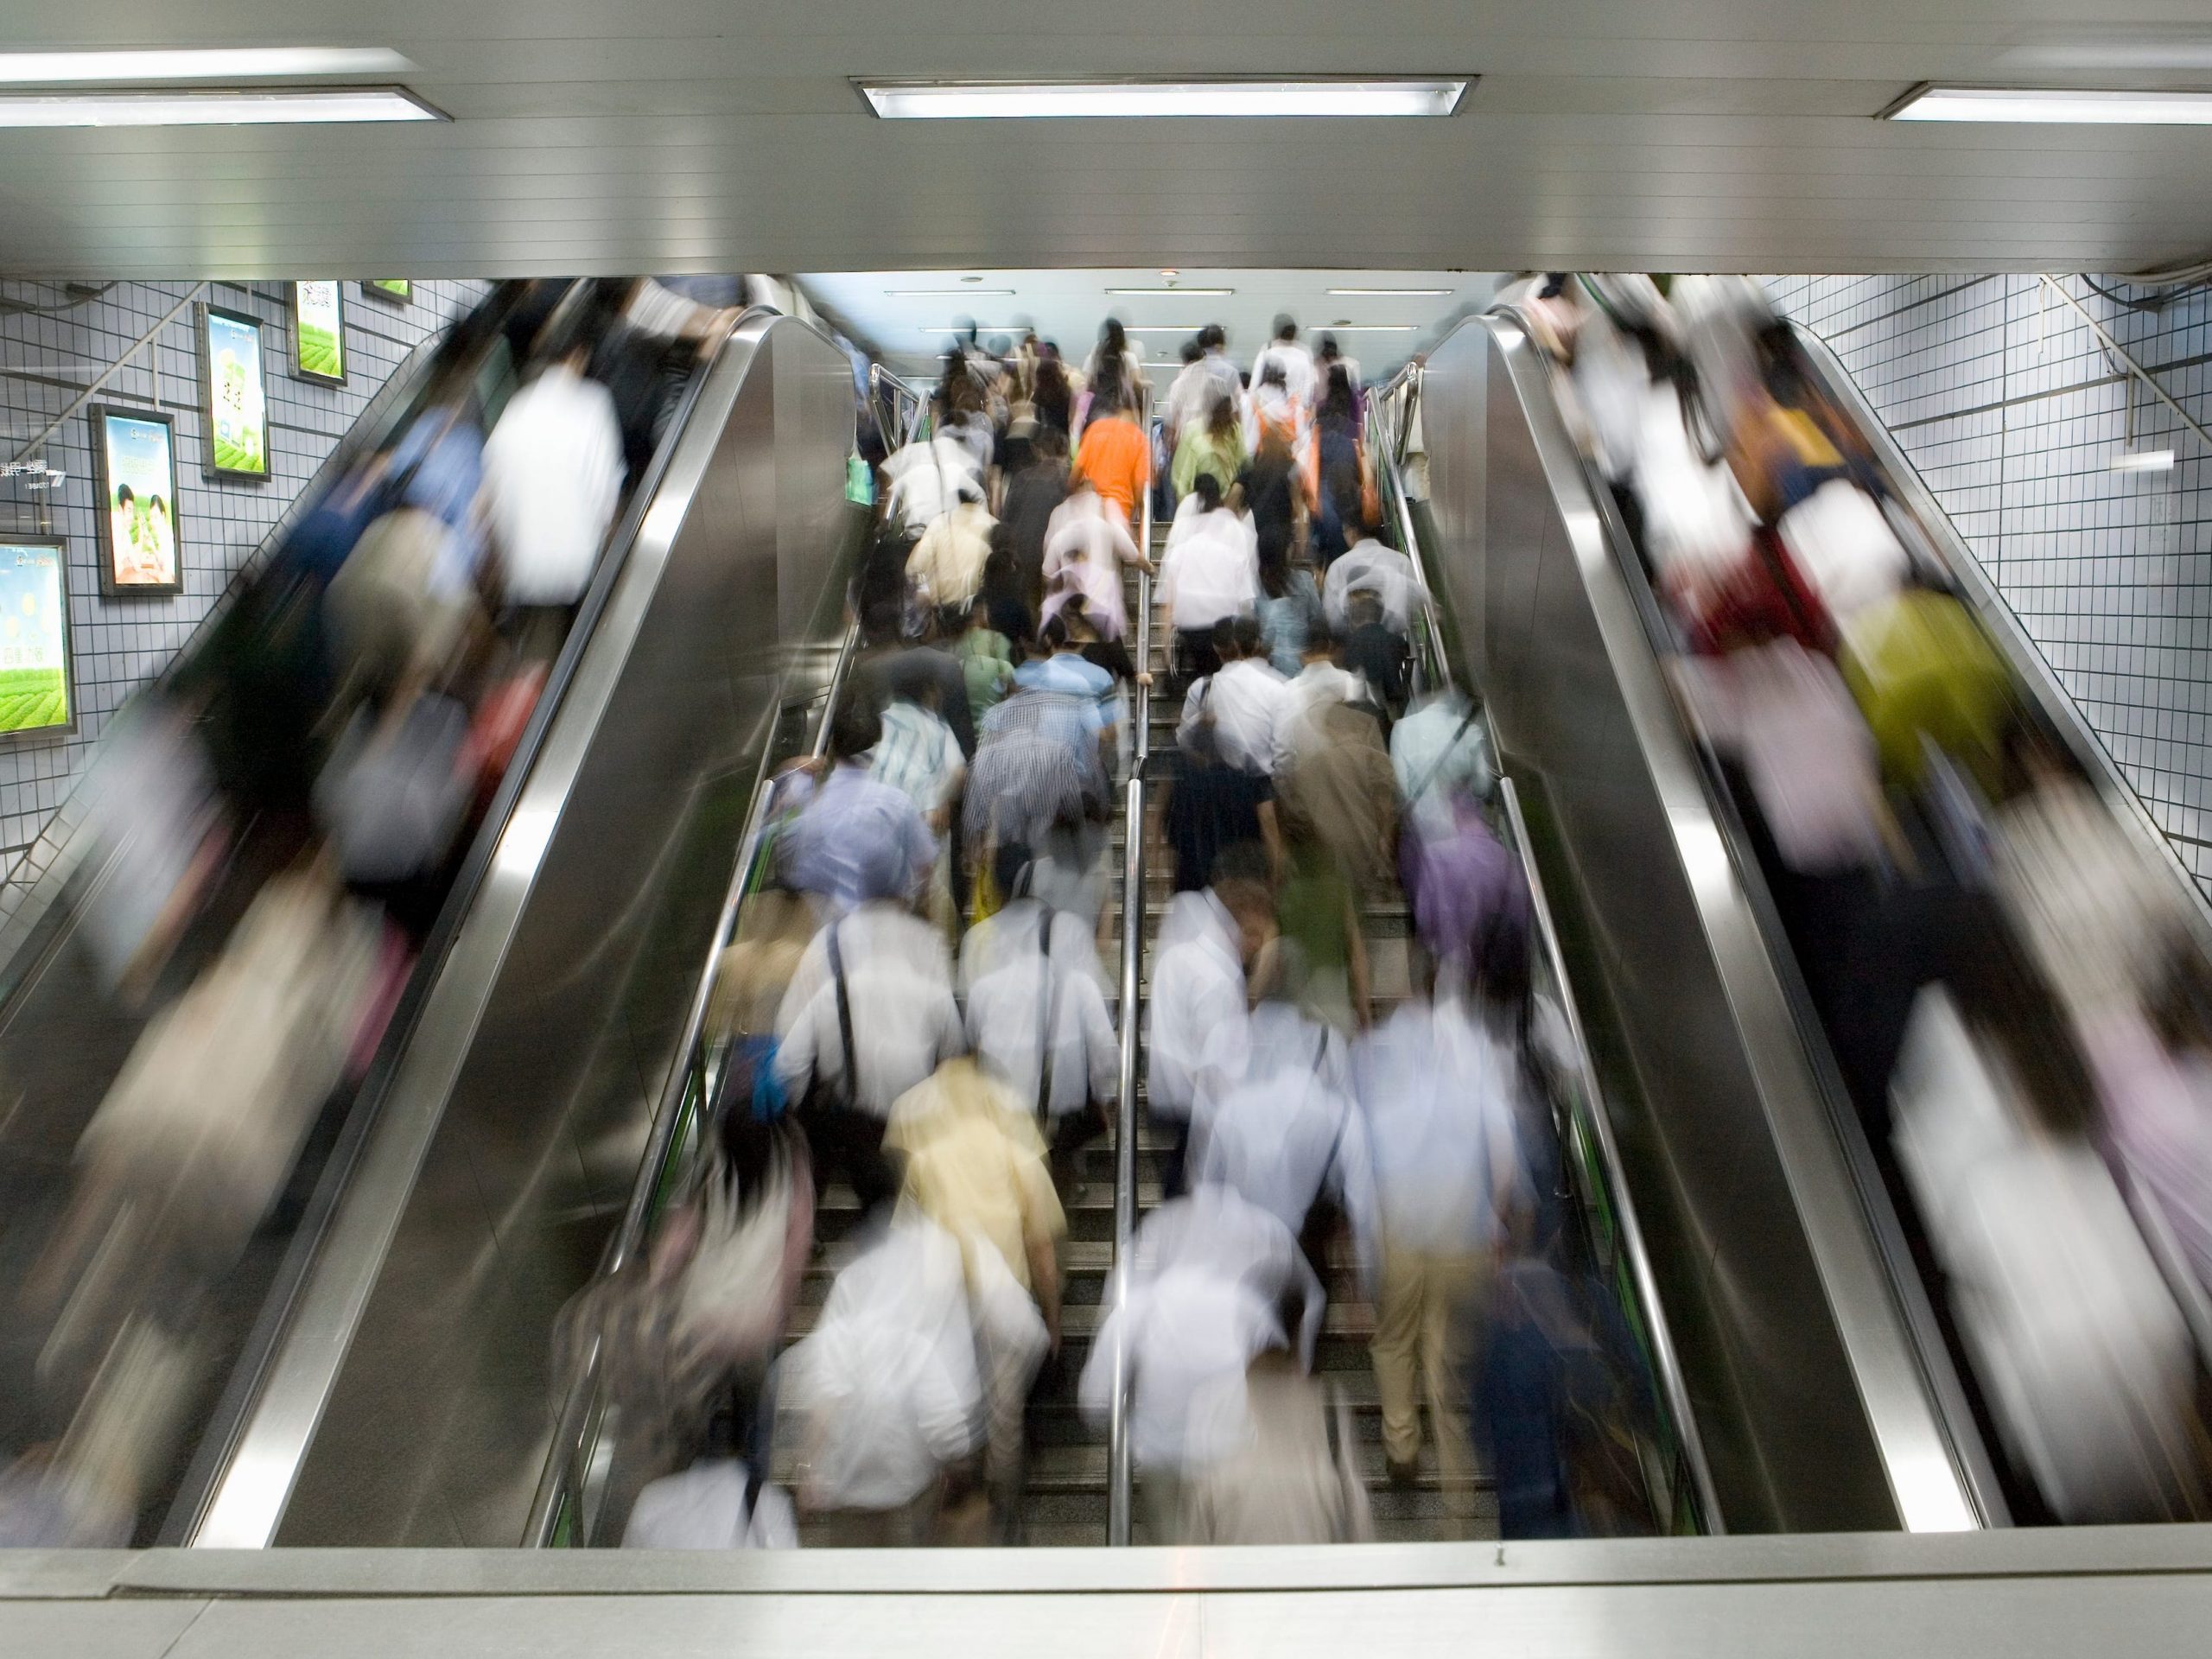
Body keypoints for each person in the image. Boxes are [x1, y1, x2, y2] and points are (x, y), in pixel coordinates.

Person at [1352, 937, 1532, 1496]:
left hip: (1400, 1221)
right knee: (1449, 1352)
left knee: (1394, 1339)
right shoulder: (1473, 1046)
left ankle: (1402, 1444)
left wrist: (1363, 1255)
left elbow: (1358, 1159)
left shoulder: (1370, 1054)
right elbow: (1502, 1143)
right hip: (1462, 1224)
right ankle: (1457, 1480)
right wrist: (1498, 1222)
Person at [1078, 1183, 1324, 1541]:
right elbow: (1281, 1381)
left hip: (1162, 1452)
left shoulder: (1141, 1307)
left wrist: (1122, 1425)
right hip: (1231, 1455)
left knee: (1173, 1550)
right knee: (1229, 1544)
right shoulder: (1248, 1308)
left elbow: (1096, 1398)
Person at [883, 1056, 1066, 1533]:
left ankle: (951, 1508)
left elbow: (904, 1239)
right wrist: (1053, 1316)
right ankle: (1002, 1517)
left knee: (948, 1403)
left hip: (945, 1296)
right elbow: (1041, 1245)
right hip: (1004, 1296)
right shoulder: (1014, 1152)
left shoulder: (927, 1157)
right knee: (1005, 1411)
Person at [772, 880, 963, 1217]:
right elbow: (954, 1061)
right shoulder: (935, 990)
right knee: (910, 1208)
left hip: (854, 1125)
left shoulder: (832, 989)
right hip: (917, 1127)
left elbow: (788, 1062)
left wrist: (804, 1109)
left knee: (875, 1205)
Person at [1188, 939, 1374, 1274]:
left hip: (1239, 1218)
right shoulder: (1325, 1041)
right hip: (1310, 1220)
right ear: (1304, 986)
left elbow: (1203, 1131)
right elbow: (1348, 1126)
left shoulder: (1221, 1039)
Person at [959, 841, 1120, 1189]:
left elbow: (970, 1032)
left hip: (1001, 1109)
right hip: (1060, 1107)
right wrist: (1106, 1091)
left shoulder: (977, 940)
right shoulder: (1070, 929)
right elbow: (1100, 1018)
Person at [1146, 845, 1274, 1195]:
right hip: (1194, 1107)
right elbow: (1218, 1069)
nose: (1260, 947)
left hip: (1165, 1091)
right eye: (1259, 935)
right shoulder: (1218, 978)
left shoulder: (1184, 938)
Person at [480, 316, 626, 624]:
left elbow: (493, 500)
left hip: (523, 579)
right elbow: (606, 496)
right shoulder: (591, 403)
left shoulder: (513, 412)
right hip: (578, 576)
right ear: (578, 354)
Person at [779, 696, 938, 918]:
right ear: (877, 745)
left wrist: (787, 769)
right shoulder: (897, 804)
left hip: (820, 933)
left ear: (831, 745)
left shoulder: (806, 798)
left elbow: (778, 846)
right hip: (882, 929)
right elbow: (925, 866)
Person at [1156, 474, 1259, 681]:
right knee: (1219, 675)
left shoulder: (1181, 551)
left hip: (1190, 629)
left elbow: (1167, 604)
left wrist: (1166, 650)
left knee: (1200, 674)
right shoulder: (1233, 551)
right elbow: (1247, 601)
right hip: (1224, 628)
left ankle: (1200, 696)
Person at [1178, 614, 1288, 779]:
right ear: (1257, 644)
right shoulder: (1279, 685)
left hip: (1218, 785)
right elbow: (1284, 750)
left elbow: (1184, 742)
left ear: (1216, 648)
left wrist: (1199, 722)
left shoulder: (1202, 688)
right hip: (1262, 786)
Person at [1042, 472, 1149, 641]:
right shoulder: (1105, 506)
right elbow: (1125, 543)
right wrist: (1146, 566)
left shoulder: (1058, 514)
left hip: (1074, 613)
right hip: (1104, 607)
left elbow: (1048, 572)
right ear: (1086, 483)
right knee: (1111, 657)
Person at [1391, 686, 1494, 841]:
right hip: (1460, 830)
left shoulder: (1402, 727)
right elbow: (1482, 786)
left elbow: (1401, 784)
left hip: (1420, 829)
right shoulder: (1472, 732)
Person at [998, 427, 1070, 609]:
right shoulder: (1065, 480)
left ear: (1037, 450)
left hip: (1022, 552)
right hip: (1053, 554)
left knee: (1029, 603)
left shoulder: (1022, 478)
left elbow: (1007, 518)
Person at [1069, 382, 1152, 531]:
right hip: (1120, 513)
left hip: (1091, 509)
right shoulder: (1139, 439)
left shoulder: (1095, 429)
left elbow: (1076, 473)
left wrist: (1070, 496)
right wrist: (1139, 510)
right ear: (1138, 411)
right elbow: (1139, 489)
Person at [1321, 514, 1419, 638]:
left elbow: (1333, 618)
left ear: (1352, 532)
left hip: (1354, 642)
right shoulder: (1402, 561)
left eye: (1344, 531)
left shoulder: (1338, 566)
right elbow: (1412, 604)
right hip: (1394, 644)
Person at [906, 490, 997, 611]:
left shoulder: (938, 523)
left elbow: (912, 570)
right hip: (971, 613)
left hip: (934, 610)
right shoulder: (992, 525)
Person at [1255, 527, 1325, 679]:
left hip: (1267, 670)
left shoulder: (1254, 586)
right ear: (1285, 550)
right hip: (1302, 668)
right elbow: (1318, 619)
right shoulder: (1304, 580)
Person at [1339, 588, 1409, 714]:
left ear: (1354, 620)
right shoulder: (1396, 641)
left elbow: (1350, 670)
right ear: (1380, 617)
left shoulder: (1350, 643)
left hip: (1364, 706)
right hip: (1394, 699)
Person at [1172, 391, 1248, 501]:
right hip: (1200, 499)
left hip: (1225, 500)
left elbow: (1244, 462)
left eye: (1228, 412)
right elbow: (1181, 478)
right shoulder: (1193, 431)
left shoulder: (1234, 429)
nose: (1227, 417)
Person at [952, 602, 1018, 727]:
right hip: (993, 723)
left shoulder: (957, 644)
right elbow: (1007, 677)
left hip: (967, 725)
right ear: (982, 614)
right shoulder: (997, 639)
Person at [1252, 314, 1319, 409]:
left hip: (1269, 415)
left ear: (1276, 332)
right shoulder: (1304, 356)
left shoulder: (1265, 354)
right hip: (1294, 415)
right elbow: (1308, 392)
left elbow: (1254, 388)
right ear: (1294, 333)